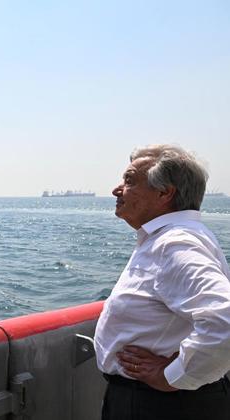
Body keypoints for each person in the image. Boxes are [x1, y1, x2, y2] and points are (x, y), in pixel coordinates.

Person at [94, 144, 230, 420]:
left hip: (160, 404)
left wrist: (172, 375)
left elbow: (224, 319)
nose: (116, 189)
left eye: (129, 181)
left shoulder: (175, 243)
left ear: (165, 193)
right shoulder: (171, 238)